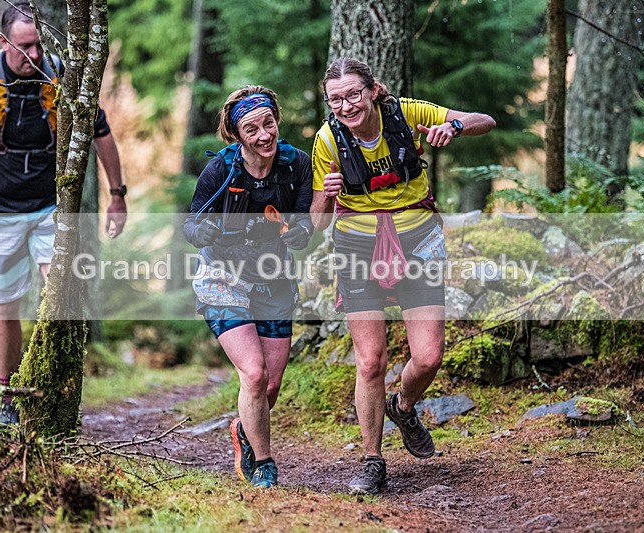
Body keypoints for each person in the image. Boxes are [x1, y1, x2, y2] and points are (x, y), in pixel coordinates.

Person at [0, 2, 128, 425]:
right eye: (24, 46)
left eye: (38, 45)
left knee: (58, 291)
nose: (33, 55)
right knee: (5, 304)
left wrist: (117, 195)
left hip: (51, 206)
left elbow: (100, 132)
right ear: (3, 40)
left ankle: (54, 390)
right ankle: (11, 394)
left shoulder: (60, 72)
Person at [310, 57, 496, 494]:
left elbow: (484, 120)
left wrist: (453, 127)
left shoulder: (405, 113)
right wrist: (326, 198)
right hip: (356, 245)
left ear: (373, 91)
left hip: (418, 240)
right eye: (335, 99)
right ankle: (372, 460)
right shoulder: (327, 141)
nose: (346, 106)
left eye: (354, 94)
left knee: (429, 356)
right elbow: (317, 224)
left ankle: (404, 405)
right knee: (371, 361)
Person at [184, 86, 313, 489]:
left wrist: (300, 233)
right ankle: (264, 463)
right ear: (237, 135)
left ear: (277, 120)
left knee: (270, 386)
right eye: (252, 128)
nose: (263, 135)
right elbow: (189, 224)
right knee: (254, 375)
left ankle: (244, 429)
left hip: (274, 279)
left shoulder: (297, 165)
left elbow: (306, 223)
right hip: (222, 277)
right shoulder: (222, 170)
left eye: (268, 123)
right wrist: (201, 231)